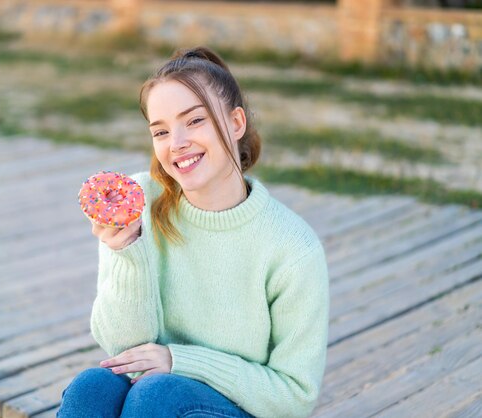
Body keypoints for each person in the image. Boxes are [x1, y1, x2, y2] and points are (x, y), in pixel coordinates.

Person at [57, 46, 329, 418]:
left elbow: (294, 396)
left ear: (236, 123)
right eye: (161, 131)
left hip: (236, 407)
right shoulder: (136, 204)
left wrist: (180, 361)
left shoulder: (291, 246)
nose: (177, 143)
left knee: (157, 395)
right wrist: (128, 253)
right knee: (94, 388)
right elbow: (124, 351)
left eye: (195, 120)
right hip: (152, 397)